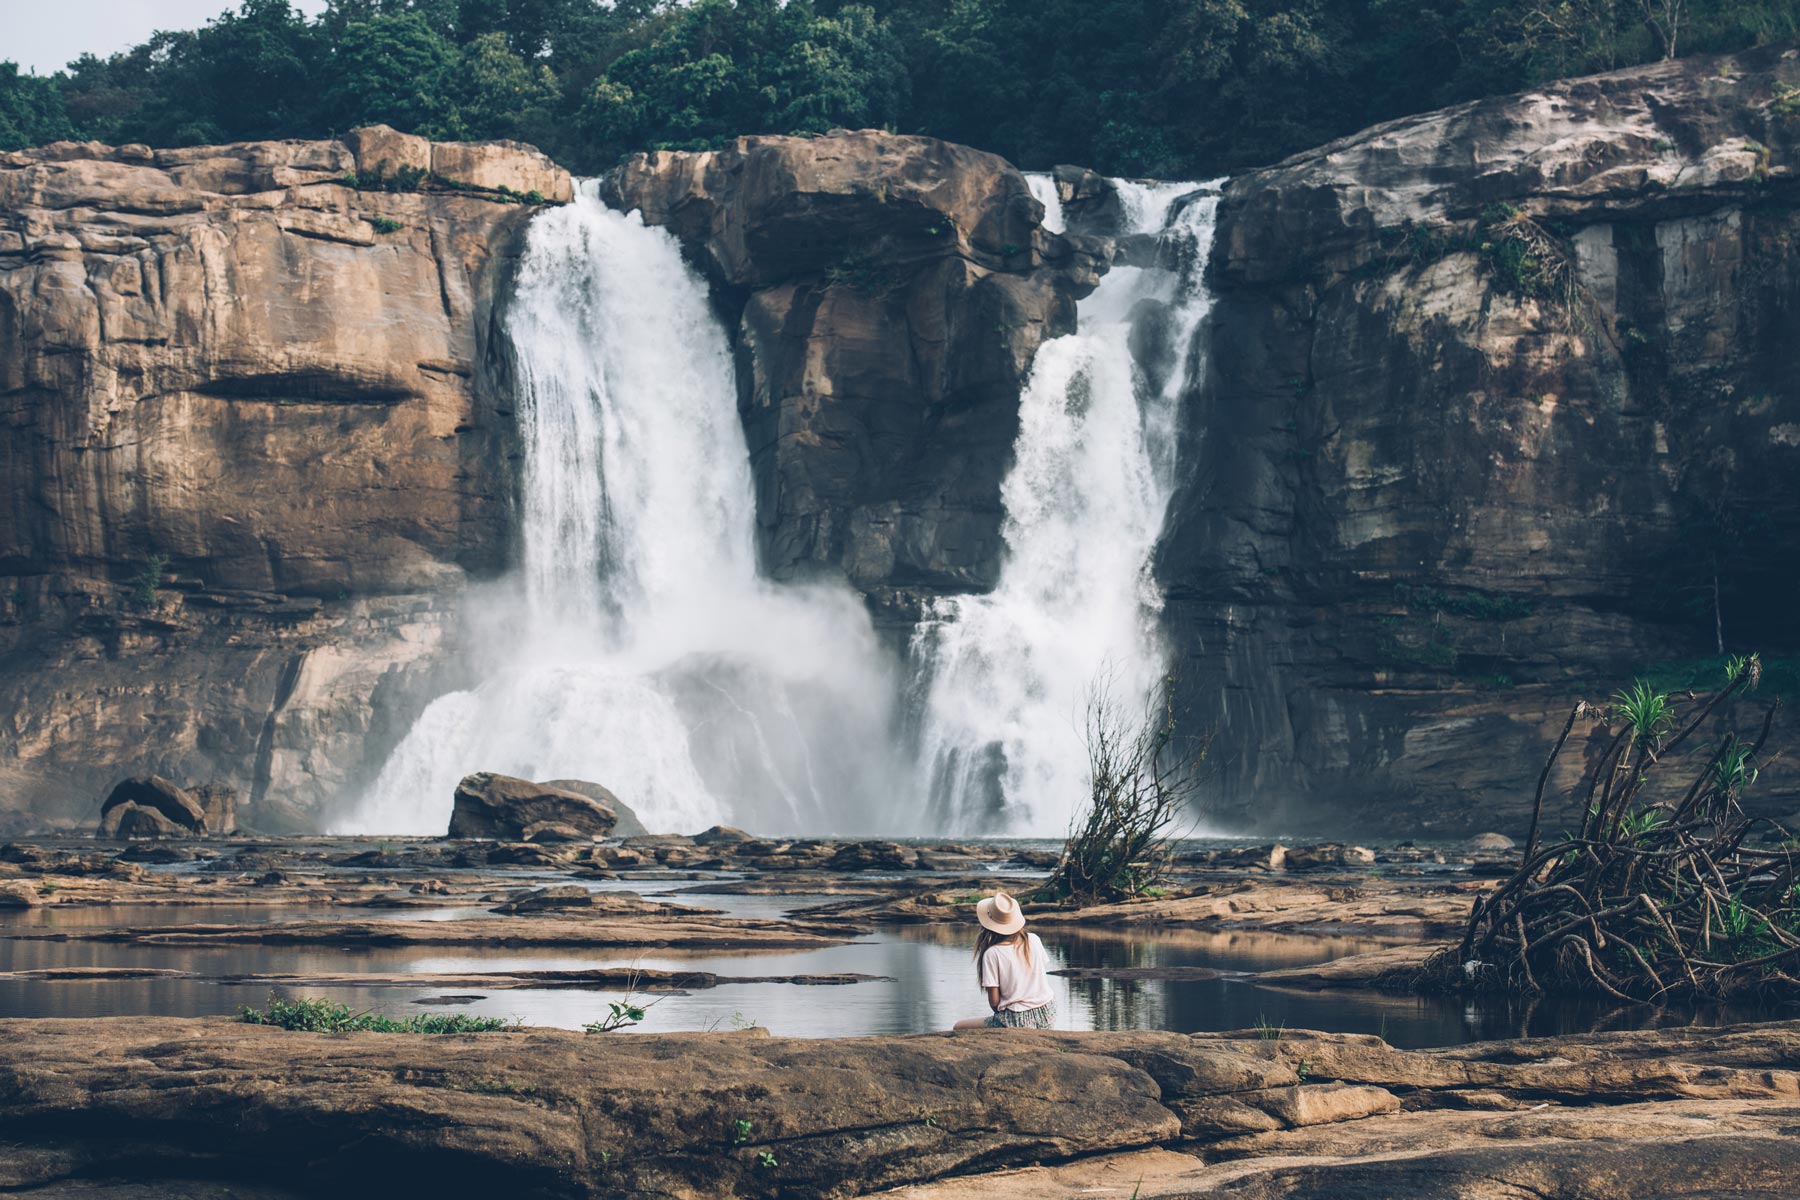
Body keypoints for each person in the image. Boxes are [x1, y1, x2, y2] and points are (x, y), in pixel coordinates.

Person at [952, 891, 1056, 1029]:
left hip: (1015, 1020)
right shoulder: (1034, 939)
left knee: (958, 1027)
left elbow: (994, 1003)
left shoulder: (992, 953)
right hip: (1047, 1013)